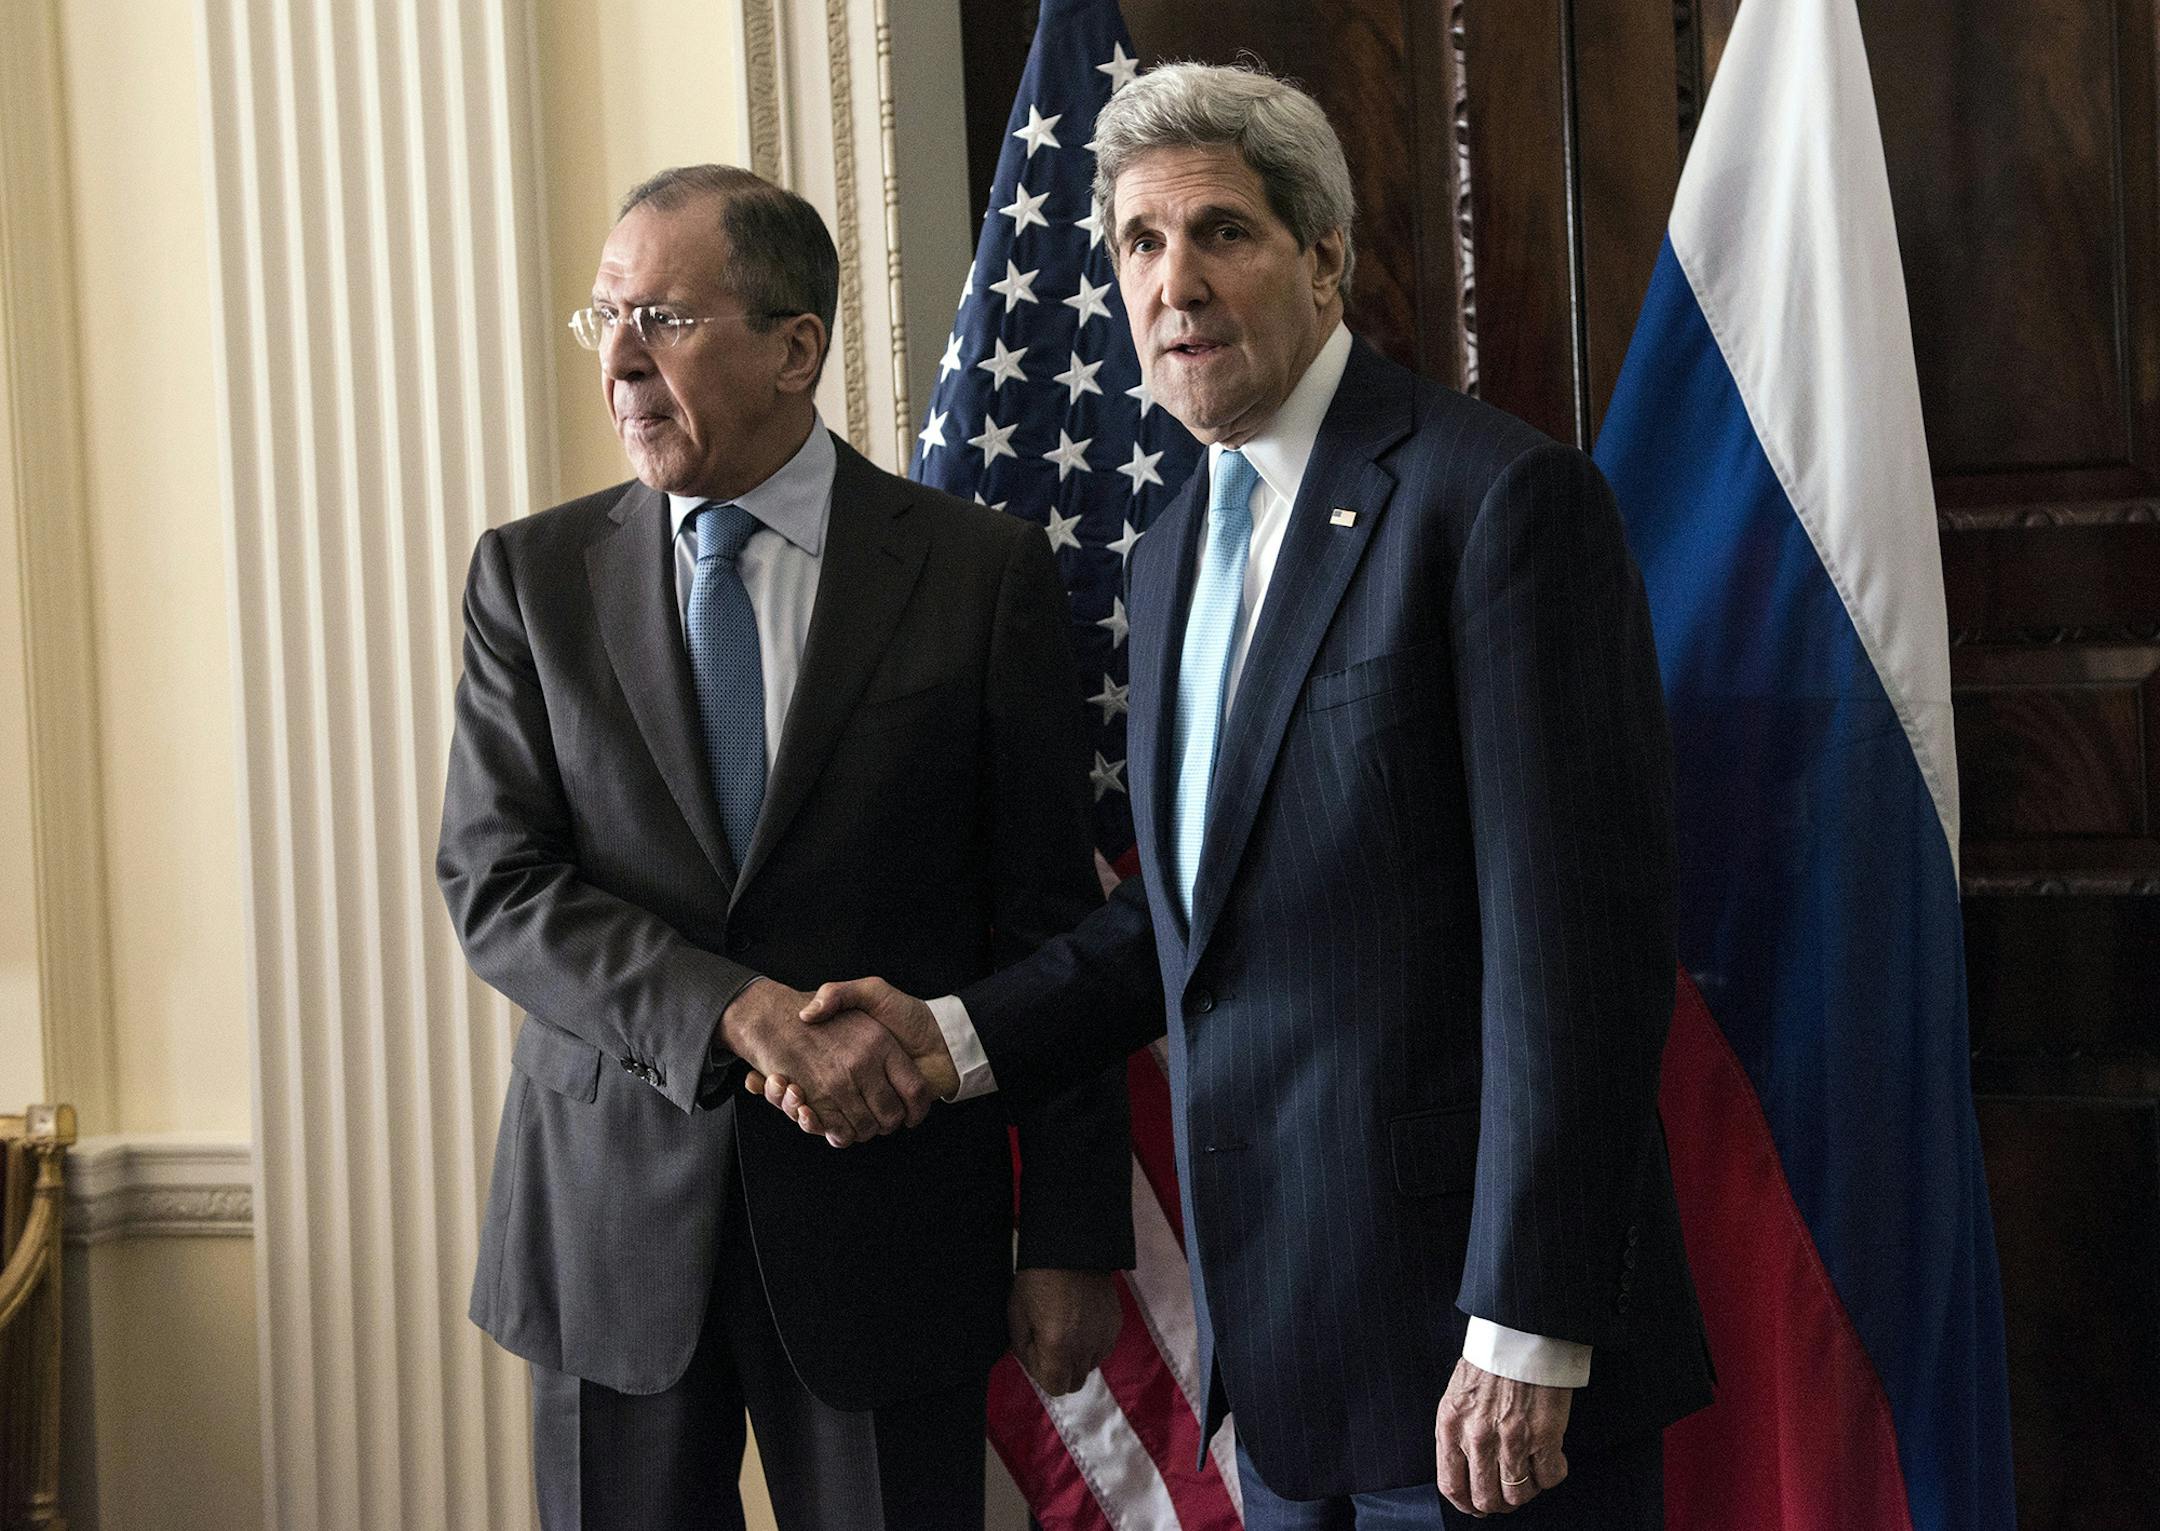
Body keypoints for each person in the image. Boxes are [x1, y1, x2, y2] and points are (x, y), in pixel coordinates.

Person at [766, 65, 1713, 1528]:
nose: (1175, 282)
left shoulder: (1495, 505)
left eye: (1224, 233)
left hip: (1483, 1375)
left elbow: (1575, 957)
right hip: (1279, 1373)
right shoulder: (1168, 550)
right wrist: (951, 1038)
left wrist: (1527, 1328)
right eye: (1140, 245)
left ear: (1325, 260)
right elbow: (1193, 918)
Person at [436, 165, 1132, 1531]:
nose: (623, 362)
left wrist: (1069, 1236)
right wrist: (738, 1015)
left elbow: (1051, 923)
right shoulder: (531, 580)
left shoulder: (979, 572)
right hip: (610, 1236)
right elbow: (499, 887)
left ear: (795, 346)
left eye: (667, 321)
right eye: (605, 322)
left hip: (890, 1230)